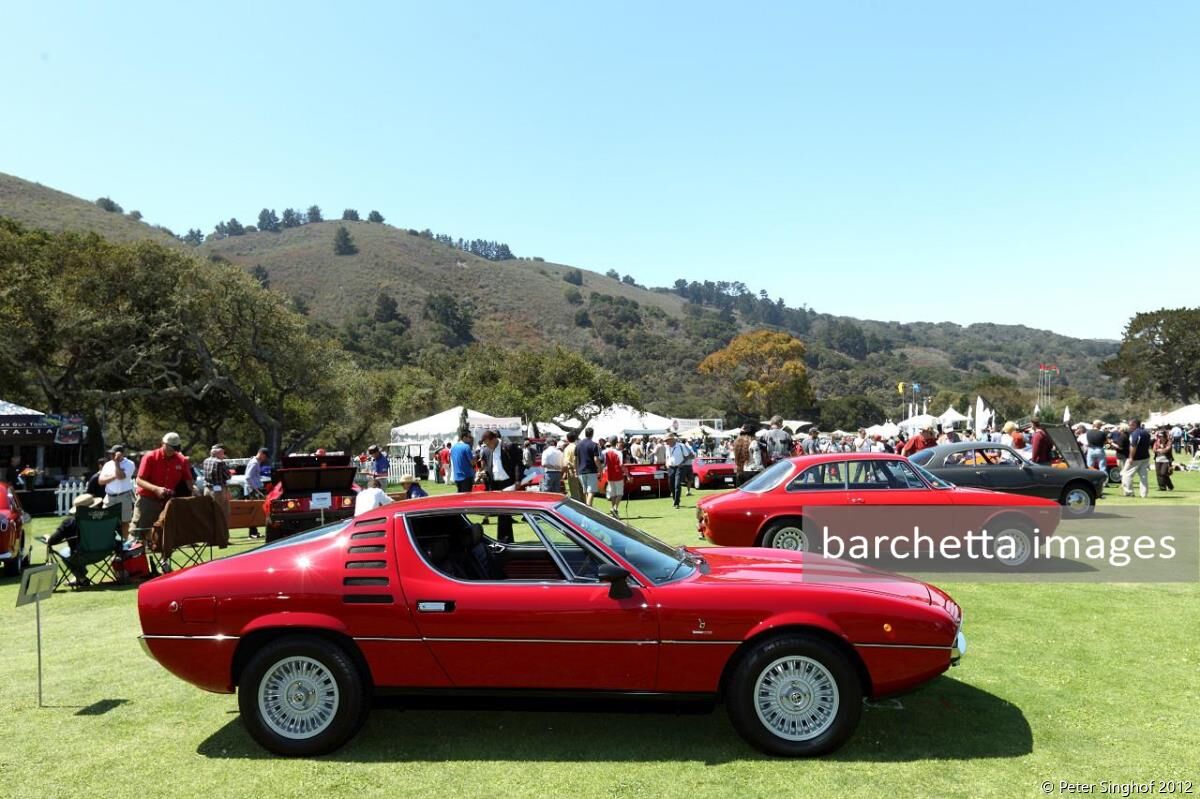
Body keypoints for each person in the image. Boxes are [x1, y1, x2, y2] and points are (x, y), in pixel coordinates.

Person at [43, 493, 118, 585]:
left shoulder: (70, 522)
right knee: (75, 551)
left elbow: (52, 541)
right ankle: (79, 578)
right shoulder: (108, 517)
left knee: (64, 552)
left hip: (82, 556)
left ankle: (81, 578)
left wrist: (48, 539)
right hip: (106, 552)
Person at [132, 432, 193, 539]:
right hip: (147, 500)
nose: (172, 450)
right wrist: (156, 489)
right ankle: (135, 554)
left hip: (168, 502)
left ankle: (163, 554)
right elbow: (139, 480)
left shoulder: (181, 460)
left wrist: (192, 492)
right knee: (139, 532)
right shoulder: (150, 457)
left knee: (165, 534)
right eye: (170, 447)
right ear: (162, 443)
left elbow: (188, 481)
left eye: (175, 448)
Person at [98, 443, 136, 541]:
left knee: (125, 522)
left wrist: (116, 463)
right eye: (111, 453)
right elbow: (101, 481)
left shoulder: (130, 464)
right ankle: (108, 542)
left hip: (124, 496)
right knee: (105, 520)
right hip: (110, 497)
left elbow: (121, 476)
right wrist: (114, 476)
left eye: (114, 453)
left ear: (121, 454)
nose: (111, 455)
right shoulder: (107, 464)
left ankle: (126, 543)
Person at [202, 444, 232, 525]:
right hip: (218, 491)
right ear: (217, 453)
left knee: (209, 512)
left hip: (207, 490)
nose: (223, 455)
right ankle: (221, 532)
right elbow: (228, 476)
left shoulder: (205, 461)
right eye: (222, 453)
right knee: (223, 512)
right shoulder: (220, 462)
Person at [243, 447, 270, 538]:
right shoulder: (254, 463)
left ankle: (254, 532)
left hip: (254, 489)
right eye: (265, 456)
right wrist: (256, 489)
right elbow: (248, 477)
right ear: (261, 454)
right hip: (252, 490)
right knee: (253, 512)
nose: (265, 459)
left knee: (255, 511)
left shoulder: (256, 462)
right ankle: (252, 533)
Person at [1122, 419, 1151, 498]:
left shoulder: (1135, 434)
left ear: (1134, 425)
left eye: (1130, 425)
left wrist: (1131, 457)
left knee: (1126, 474)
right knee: (1143, 476)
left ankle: (1129, 492)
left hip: (1136, 458)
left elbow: (1133, 446)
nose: (1129, 427)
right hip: (1145, 457)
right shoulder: (1146, 433)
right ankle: (1144, 494)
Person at [575, 427, 602, 507]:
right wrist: (600, 469)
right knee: (591, 491)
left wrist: (576, 471)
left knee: (586, 491)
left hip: (581, 471)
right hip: (591, 471)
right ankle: (588, 509)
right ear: (592, 434)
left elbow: (575, 460)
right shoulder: (594, 445)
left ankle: (587, 507)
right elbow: (596, 459)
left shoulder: (578, 445)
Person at [665, 432, 692, 509]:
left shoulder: (681, 446)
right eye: (666, 441)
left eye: (667, 440)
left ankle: (677, 502)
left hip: (679, 468)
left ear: (672, 439)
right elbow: (667, 457)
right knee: (671, 485)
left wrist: (682, 463)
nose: (666, 442)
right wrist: (666, 463)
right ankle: (674, 499)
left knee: (677, 484)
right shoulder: (667, 447)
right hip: (670, 467)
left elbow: (688, 456)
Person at [601, 437, 625, 518]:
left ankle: (614, 510)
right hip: (618, 474)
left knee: (613, 493)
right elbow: (621, 465)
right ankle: (614, 508)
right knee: (620, 494)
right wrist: (627, 474)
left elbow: (602, 463)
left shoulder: (604, 452)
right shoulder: (619, 453)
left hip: (610, 474)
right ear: (617, 442)